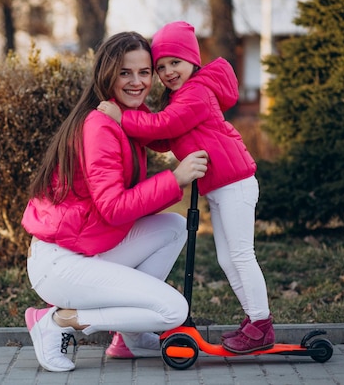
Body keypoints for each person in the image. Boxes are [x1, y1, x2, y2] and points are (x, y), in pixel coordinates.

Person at [21, 31, 209, 372]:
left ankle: (130, 339)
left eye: (144, 72)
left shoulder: (125, 118)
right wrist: (176, 178)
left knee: (172, 227)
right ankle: (59, 321)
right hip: (60, 264)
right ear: (107, 74)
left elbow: (128, 203)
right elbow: (114, 208)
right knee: (172, 310)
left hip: (88, 247)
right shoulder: (101, 125)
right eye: (125, 73)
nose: (137, 82)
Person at [98, 21, 274, 355]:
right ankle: (254, 321)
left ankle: (261, 323)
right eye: (161, 67)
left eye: (175, 63)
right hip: (222, 187)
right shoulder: (183, 96)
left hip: (234, 184)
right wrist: (136, 128)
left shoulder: (195, 93)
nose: (168, 72)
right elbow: (166, 137)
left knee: (239, 255)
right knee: (227, 258)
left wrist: (122, 118)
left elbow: (165, 124)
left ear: (193, 60)